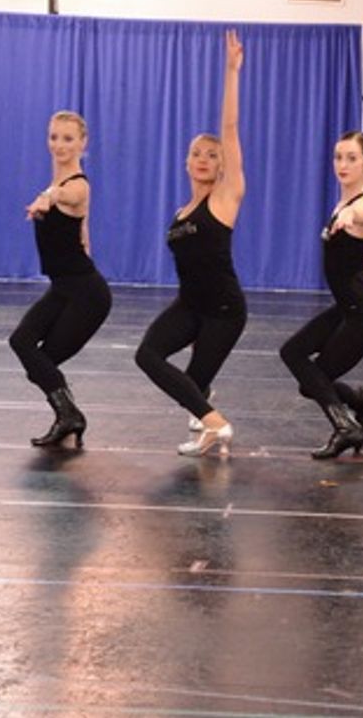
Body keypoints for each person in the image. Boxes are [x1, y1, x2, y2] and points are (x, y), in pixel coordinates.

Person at [135, 30, 246, 458]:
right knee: (149, 356)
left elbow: (230, 129)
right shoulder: (182, 211)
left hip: (223, 311)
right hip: (190, 306)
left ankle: (215, 425)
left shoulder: (225, 198)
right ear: (186, 161)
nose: (203, 158)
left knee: (195, 390)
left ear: (221, 167)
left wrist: (231, 73)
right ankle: (212, 424)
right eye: (197, 153)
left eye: (211, 154)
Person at [280, 131, 363, 459]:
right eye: (338, 157)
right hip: (348, 307)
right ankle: (361, 406)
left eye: (352, 158)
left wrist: (347, 217)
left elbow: (362, 215)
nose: (343, 164)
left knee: (314, 379)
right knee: (294, 355)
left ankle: (347, 427)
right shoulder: (341, 200)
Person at [8, 110, 112, 448]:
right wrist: (48, 194)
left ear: (83, 143)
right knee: (23, 343)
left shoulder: (77, 186)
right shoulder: (58, 184)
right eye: (54, 137)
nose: (59, 145)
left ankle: (69, 416)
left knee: (42, 363)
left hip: (86, 296)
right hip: (64, 289)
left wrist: (47, 198)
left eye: (68, 138)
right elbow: (83, 233)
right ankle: (69, 415)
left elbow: (65, 197)